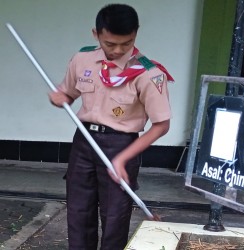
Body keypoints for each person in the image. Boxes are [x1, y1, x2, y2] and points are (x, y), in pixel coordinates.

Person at [49, 3, 173, 250]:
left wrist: (122, 159)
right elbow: (67, 93)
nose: (118, 50)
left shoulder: (148, 74)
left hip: (121, 144)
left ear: (135, 33)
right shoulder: (81, 59)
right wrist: (59, 97)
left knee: (115, 217)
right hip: (84, 142)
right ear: (96, 34)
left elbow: (161, 125)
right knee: (78, 212)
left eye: (126, 43)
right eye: (110, 43)